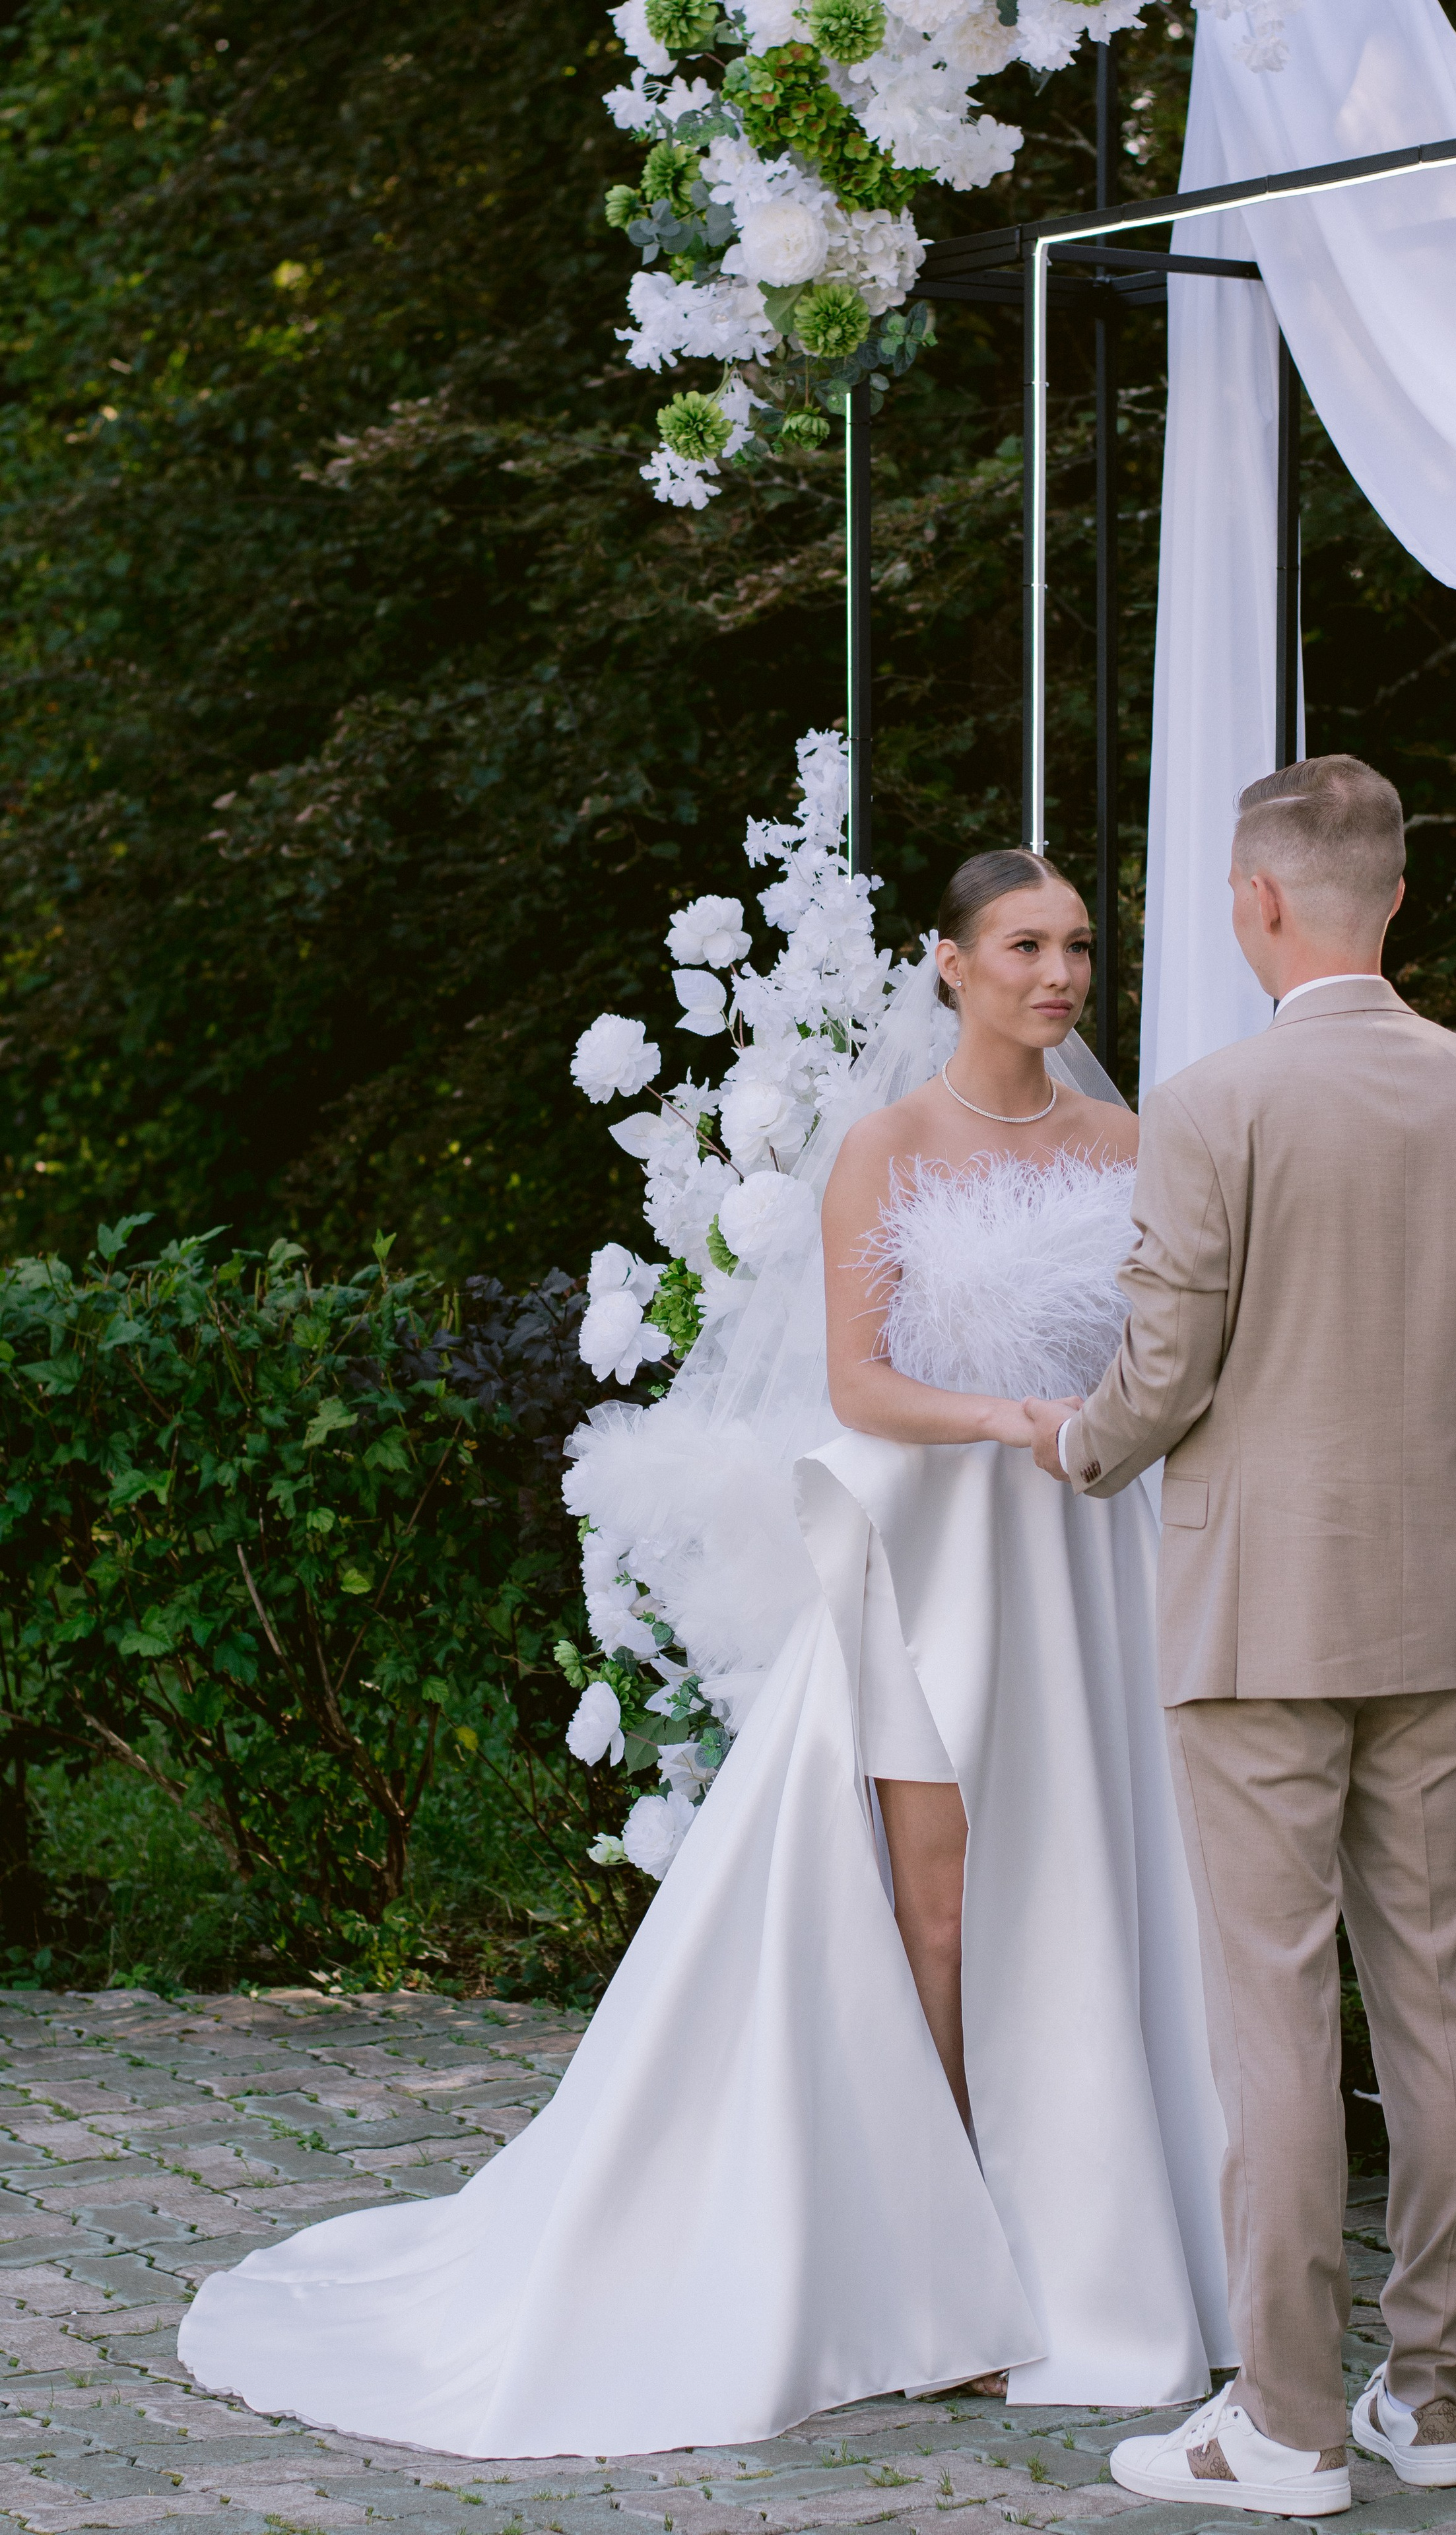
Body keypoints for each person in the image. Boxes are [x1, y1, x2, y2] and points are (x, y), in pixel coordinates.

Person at [177, 849, 1232, 2458]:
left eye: (1077, 944)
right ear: (944, 963)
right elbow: (860, 1384)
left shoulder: (1132, 1146)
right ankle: (951, 2261)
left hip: (1088, 1554)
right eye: (1023, 943)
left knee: (1089, 1871)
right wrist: (1009, 1417)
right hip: (937, 1553)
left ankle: (1101, 2224)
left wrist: (1098, 1438)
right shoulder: (884, 1148)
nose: (1058, 973)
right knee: (933, 1904)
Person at [1024, 755, 1456, 2520]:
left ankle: (1284, 2427)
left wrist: (1073, 1446)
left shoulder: (1215, 1104)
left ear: (1256, 902)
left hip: (1260, 1616)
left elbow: (1158, 1376)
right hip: (1440, 1604)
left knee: (1273, 2019)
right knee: (1443, 2005)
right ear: (1391, 896)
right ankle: (1437, 2400)